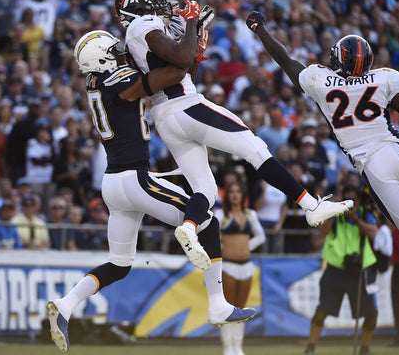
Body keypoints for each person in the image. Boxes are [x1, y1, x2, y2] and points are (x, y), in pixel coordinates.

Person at [246, 10, 399, 326]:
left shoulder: (321, 81)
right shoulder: (384, 78)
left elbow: (285, 60)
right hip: (398, 152)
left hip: (373, 167)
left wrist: (261, 30)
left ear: (338, 60)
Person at [46, 30, 256, 353]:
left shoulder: (95, 82)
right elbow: (174, 74)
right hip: (134, 180)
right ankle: (218, 305)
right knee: (208, 221)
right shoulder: (117, 81)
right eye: (113, 52)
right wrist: (192, 44)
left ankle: (66, 303)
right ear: (102, 60)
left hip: (113, 184)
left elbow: (173, 78)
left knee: (119, 263)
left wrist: (190, 56)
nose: (120, 54)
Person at [116, 0, 352, 254]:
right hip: (184, 106)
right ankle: (311, 206)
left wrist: (197, 39)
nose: (160, 6)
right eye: (153, 1)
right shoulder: (141, 25)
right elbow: (181, 59)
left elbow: (184, 72)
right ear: (139, 6)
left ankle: (189, 226)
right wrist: (192, 23)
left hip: (167, 116)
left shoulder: (139, 35)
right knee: (255, 147)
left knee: (206, 189)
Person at [302, 186, 378, 355]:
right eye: (346, 199)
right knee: (321, 311)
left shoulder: (365, 215)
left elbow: (373, 234)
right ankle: (310, 347)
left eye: (353, 200)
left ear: (358, 201)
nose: (350, 204)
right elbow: (322, 233)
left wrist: (356, 220)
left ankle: (365, 349)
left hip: (361, 270)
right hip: (335, 269)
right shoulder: (334, 215)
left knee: (371, 314)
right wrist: (331, 212)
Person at [214, 181, 265, 355]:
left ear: (243, 195)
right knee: (228, 308)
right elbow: (210, 236)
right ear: (227, 195)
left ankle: (238, 347)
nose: (235, 195)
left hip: (246, 266)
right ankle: (228, 348)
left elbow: (261, 237)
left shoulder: (251, 214)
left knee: (241, 308)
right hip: (227, 265)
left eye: (238, 191)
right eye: (231, 192)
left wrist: (246, 247)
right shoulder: (221, 215)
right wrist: (223, 249)